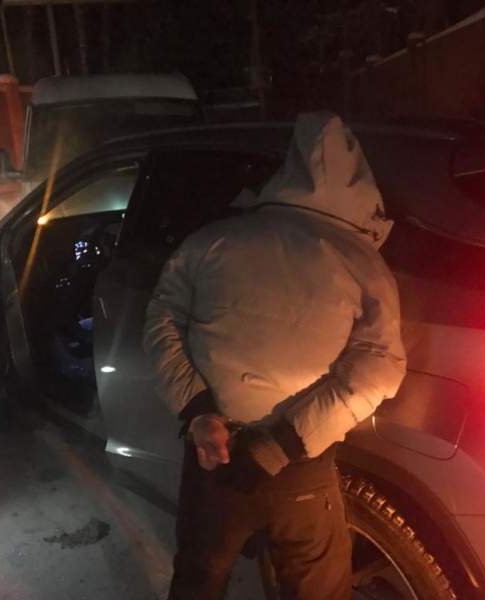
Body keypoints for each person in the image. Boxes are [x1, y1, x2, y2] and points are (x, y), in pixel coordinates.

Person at [143, 112, 407, 600]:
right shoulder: (366, 267)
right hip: (300, 470)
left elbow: (161, 319)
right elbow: (380, 366)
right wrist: (283, 443)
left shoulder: (212, 240)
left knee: (197, 584)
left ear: (286, 173)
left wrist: (200, 412)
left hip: (213, 455)